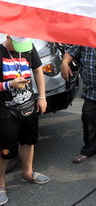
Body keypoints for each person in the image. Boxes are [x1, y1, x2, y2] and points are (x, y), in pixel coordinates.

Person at [0, 36, 49, 206]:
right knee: (5, 148)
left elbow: (37, 70)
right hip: (5, 108)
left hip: (28, 103)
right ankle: (0, 184)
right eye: (17, 44)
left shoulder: (28, 48)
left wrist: (42, 97)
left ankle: (27, 173)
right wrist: (9, 85)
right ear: (8, 38)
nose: (22, 48)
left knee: (29, 140)